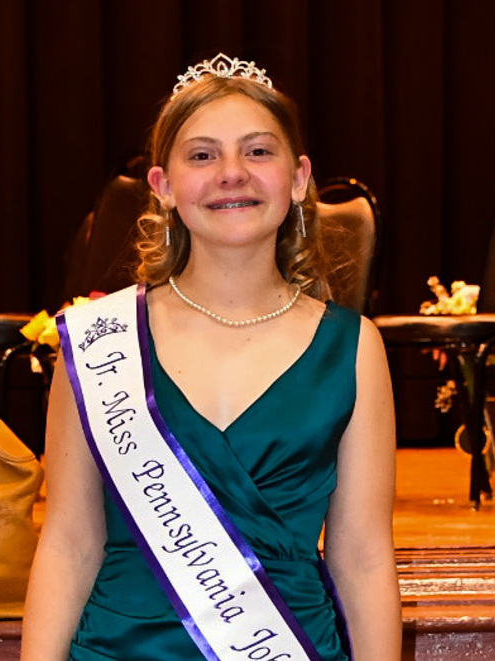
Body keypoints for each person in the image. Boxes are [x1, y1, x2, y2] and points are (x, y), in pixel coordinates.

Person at [21, 53, 401, 661]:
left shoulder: (354, 349)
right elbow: (67, 544)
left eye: (258, 151)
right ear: (164, 188)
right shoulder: (99, 340)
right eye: (202, 155)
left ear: (299, 178)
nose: (232, 173)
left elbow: (363, 557)